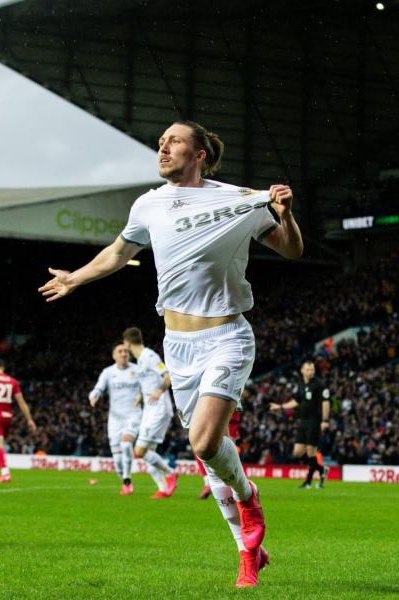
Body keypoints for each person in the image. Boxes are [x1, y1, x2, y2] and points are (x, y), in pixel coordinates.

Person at [39, 120, 303, 587]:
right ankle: (248, 551)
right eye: (160, 143)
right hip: (177, 345)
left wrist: (285, 213)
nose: (162, 148)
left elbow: (292, 251)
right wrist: (76, 278)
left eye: (174, 142)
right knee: (208, 457)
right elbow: (119, 252)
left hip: (226, 336)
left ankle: (249, 497)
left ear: (200, 154)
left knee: (204, 443)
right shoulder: (148, 204)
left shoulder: (239, 200)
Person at [122, 327, 178, 498]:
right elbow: (148, 383)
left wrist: (159, 391)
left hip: (159, 409)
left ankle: (171, 473)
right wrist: (140, 396)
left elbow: (167, 376)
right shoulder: (140, 362)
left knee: (139, 451)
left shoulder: (150, 356)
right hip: (149, 409)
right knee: (149, 453)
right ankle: (163, 489)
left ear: (127, 343)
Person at [88, 343, 143, 495]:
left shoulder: (137, 370)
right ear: (114, 355)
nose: (124, 353)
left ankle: (127, 479)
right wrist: (94, 396)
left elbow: (147, 387)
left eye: (126, 351)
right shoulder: (108, 372)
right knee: (117, 460)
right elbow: (98, 388)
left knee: (126, 444)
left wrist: (142, 396)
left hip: (133, 415)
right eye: (120, 351)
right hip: (115, 419)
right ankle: (124, 480)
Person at [269, 360, 330, 489]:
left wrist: (325, 421)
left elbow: (326, 403)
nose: (310, 372)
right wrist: (279, 406)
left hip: (314, 421)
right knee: (297, 453)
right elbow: (296, 401)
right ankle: (321, 469)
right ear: (302, 371)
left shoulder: (319, 385)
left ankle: (308, 482)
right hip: (303, 421)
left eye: (312, 369)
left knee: (310, 452)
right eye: (308, 369)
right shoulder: (301, 384)